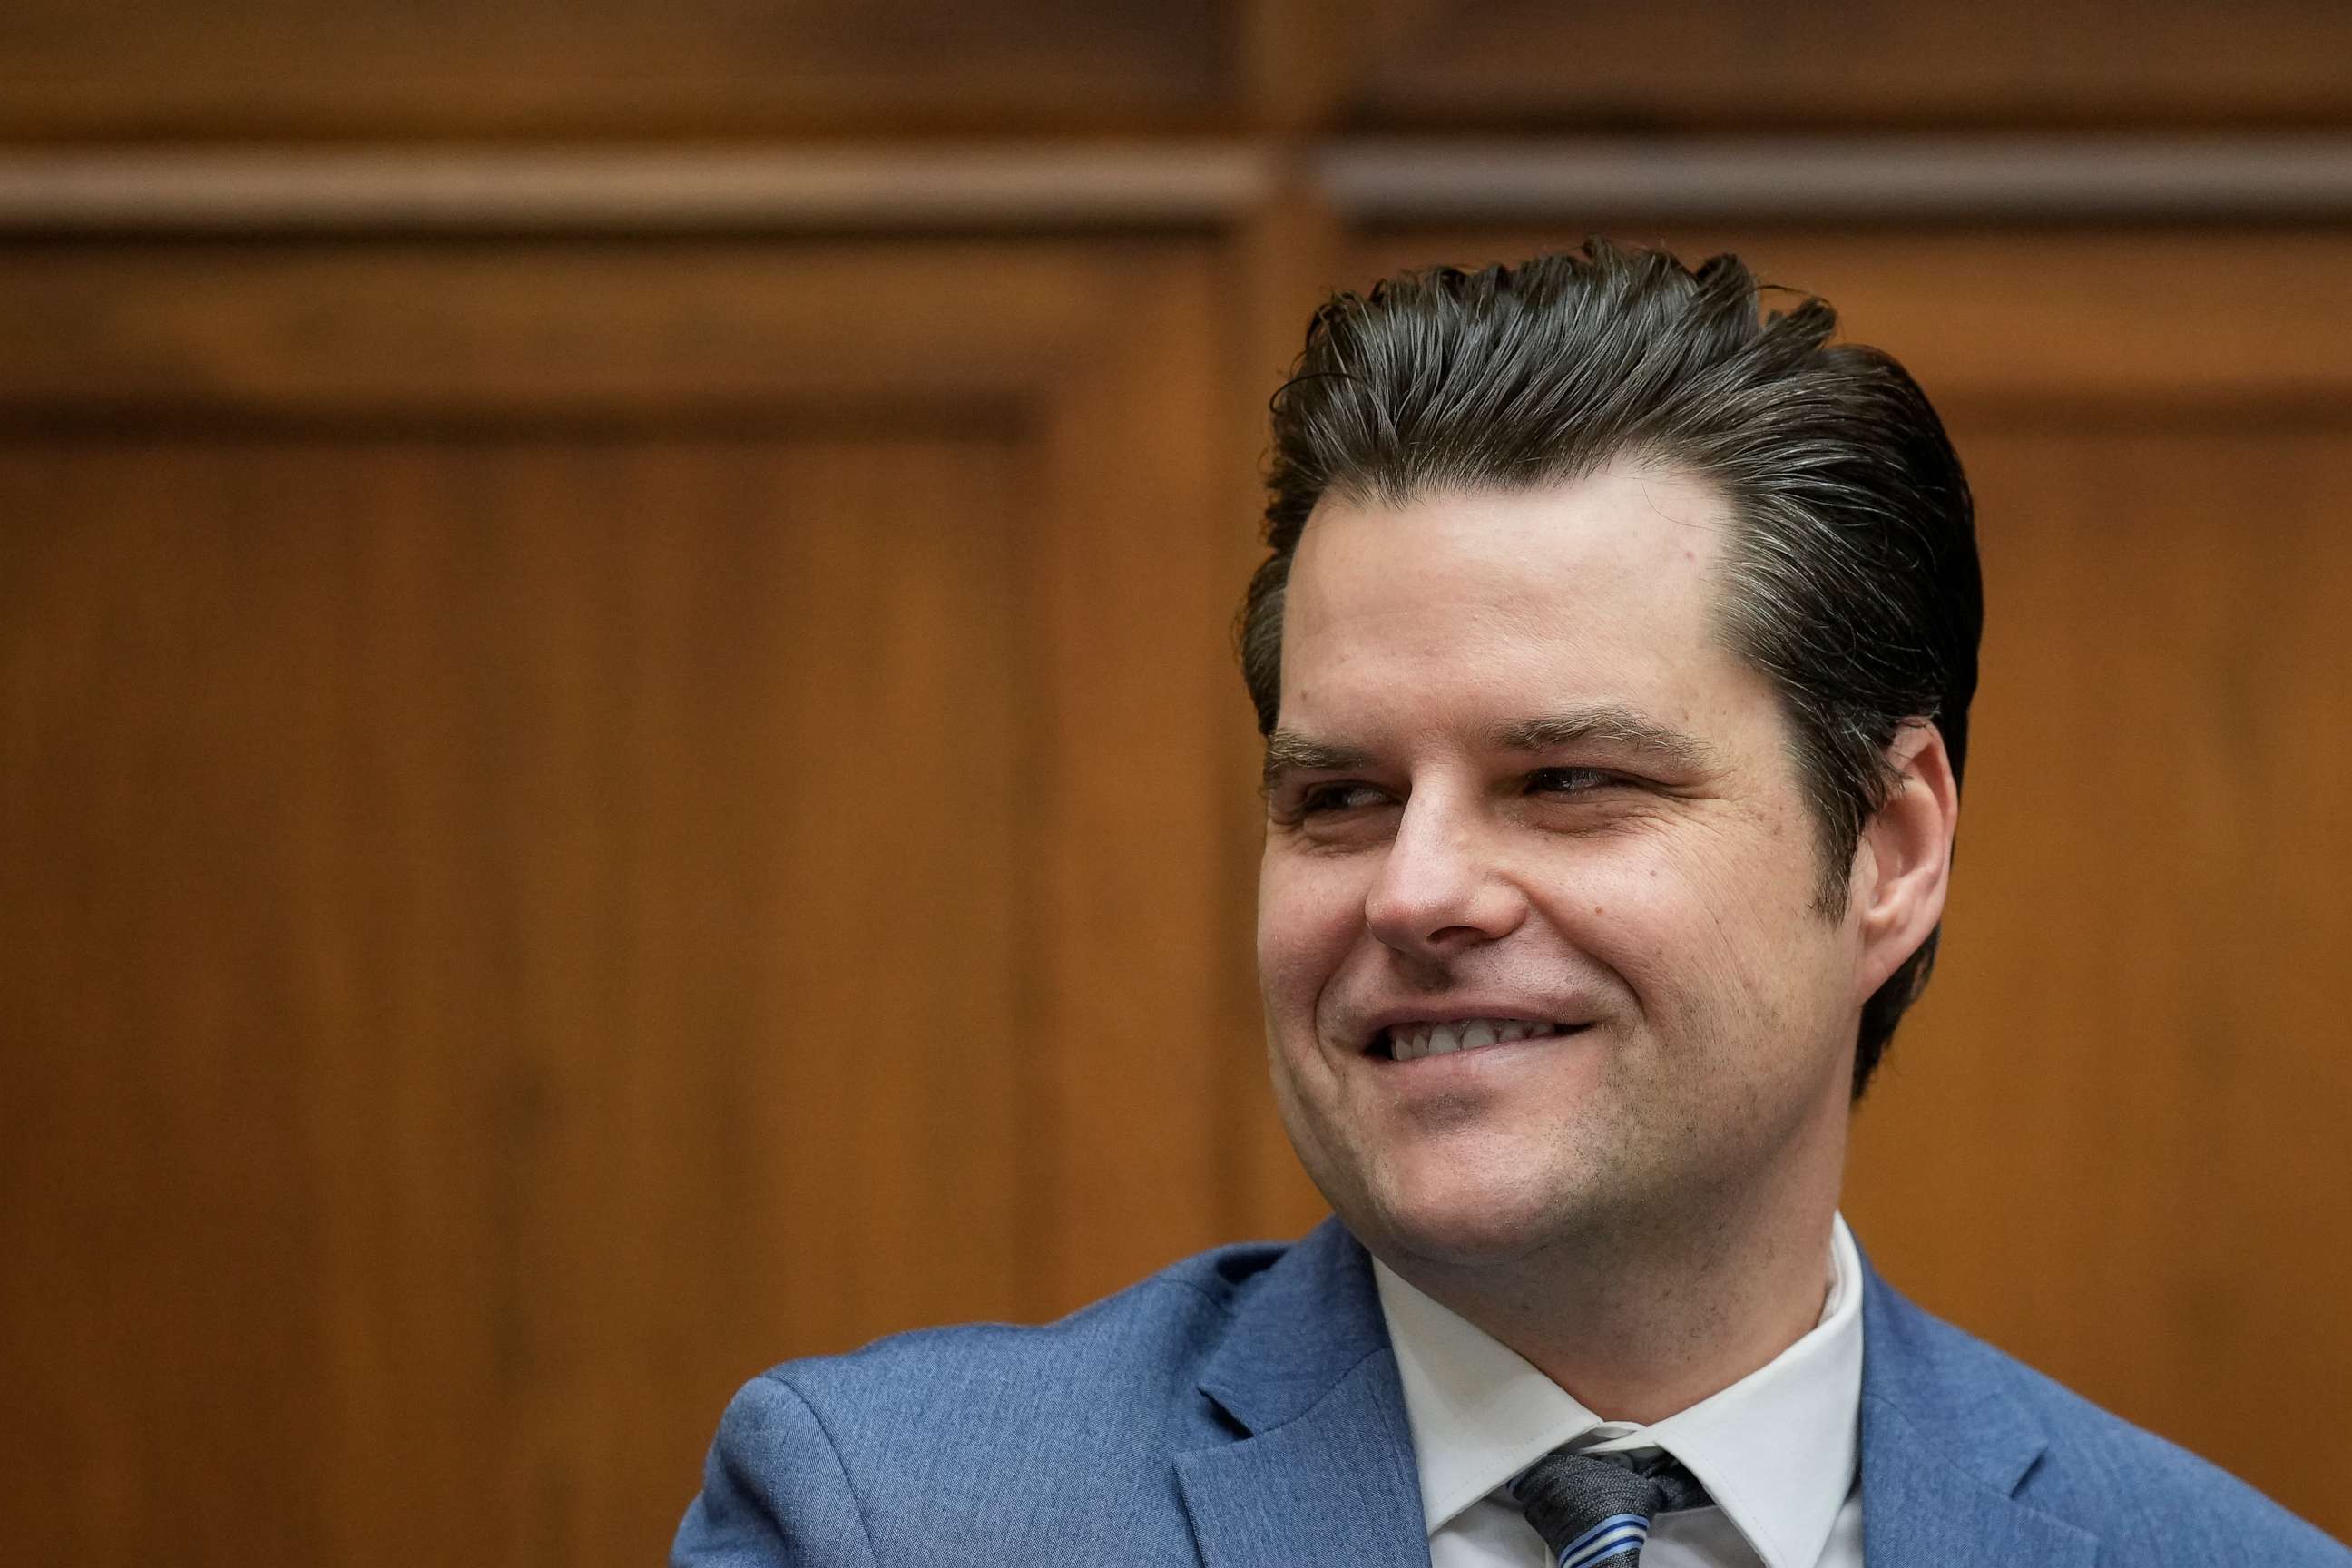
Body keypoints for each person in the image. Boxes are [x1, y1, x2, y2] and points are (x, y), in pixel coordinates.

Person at [672, 240, 2350, 1566]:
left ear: (1893, 847)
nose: (1415, 891)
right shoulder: (897, 1524)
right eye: (1341, 799)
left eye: (1569, 783)